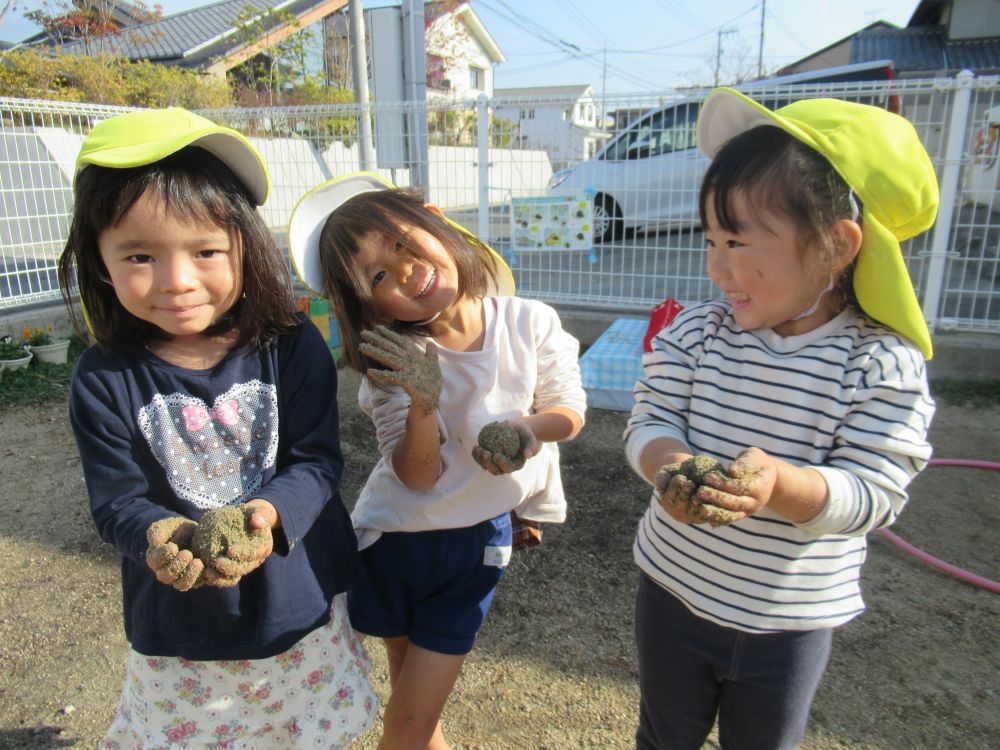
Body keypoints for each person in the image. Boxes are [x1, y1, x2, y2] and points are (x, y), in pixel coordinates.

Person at [625, 89, 940, 750]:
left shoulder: (878, 363)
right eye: (711, 238)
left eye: (737, 240)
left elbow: (877, 491)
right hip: (673, 591)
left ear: (836, 246)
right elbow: (649, 419)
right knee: (662, 736)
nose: (716, 264)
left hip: (789, 621)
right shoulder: (697, 333)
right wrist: (669, 464)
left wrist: (780, 486)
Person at [58, 108, 378, 749]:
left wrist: (264, 516)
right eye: (140, 255)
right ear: (99, 261)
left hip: (297, 594)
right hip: (184, 619)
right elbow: (116, 502)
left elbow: (315, 462)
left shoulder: (290, 346)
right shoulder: (102, 377)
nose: (177, 282)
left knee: (303, 730)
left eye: (205, 251)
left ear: (245, 248)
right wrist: (161, 534)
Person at [287, 172, 587, 750]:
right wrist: (423, 396)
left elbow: (567, 409)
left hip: (474, 546)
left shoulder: (529, 322)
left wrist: (527, 431)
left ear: (433, 217)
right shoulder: (396, 363)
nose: (402, 270)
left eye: (400, 244)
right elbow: (417, 476)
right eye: (377, 275)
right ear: (367, 303)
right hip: (396, 541)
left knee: (411, 717)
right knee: (411, 702)